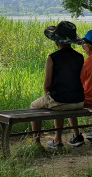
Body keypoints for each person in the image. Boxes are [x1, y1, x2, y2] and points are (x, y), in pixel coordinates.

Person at [30, 21, 85, 149]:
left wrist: (47, 93)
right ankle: (58, 139)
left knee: (35, 105)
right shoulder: (80, 57)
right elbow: (79, 79)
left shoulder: (52, 58)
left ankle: (37, 143)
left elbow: (47, 84)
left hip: (61, 101)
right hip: (79, 101)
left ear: (56, 41)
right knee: (59, 101)